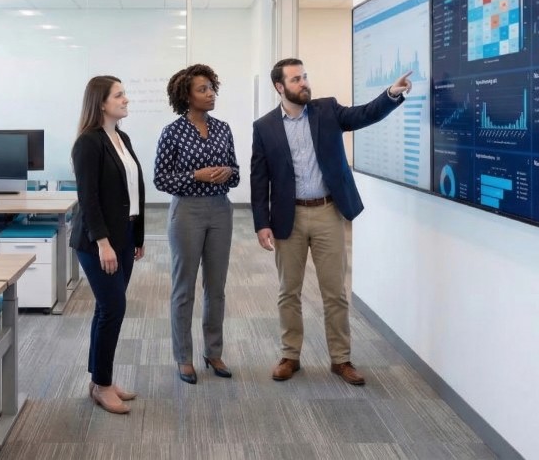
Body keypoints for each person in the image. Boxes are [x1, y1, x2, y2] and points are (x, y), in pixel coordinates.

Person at [250, 58, 411, 385]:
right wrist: (260, 222)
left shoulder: (327, 110)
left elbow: (364, 114)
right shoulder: (264, 127)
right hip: (287, 217)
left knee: (335, 291)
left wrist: (391, 94)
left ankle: (341, 359)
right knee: (288, 291)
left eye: (305, 76)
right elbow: (259, 177)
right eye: (296, 79)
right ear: (280, 87)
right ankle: (290, 355)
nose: (304, 83)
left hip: (327, 212)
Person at [154, 64, 240, 385]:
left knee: (216, 288)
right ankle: (183, 357)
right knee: (184, 288)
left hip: (220, 209)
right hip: (186, 212)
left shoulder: (223, 128)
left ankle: (213, 352)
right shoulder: (172, 132)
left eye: (211, 88)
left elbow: (236, 170)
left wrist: (227, 173)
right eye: (202, 89)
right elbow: (161, 178)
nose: (210, 93)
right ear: (186, 96)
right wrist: (196, 175)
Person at [69, 75, 146, 414]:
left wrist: (137, 237)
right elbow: (88, 198)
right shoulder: (88, 142)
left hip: (124, 236)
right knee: (113, 308)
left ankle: (100, 379)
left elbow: (134, 190)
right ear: (101, 103)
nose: (126, 99)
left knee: (106, 308)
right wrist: (104, 243)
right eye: (119, 95)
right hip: (97, 241)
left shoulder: (121, 137)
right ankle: (102, 384)